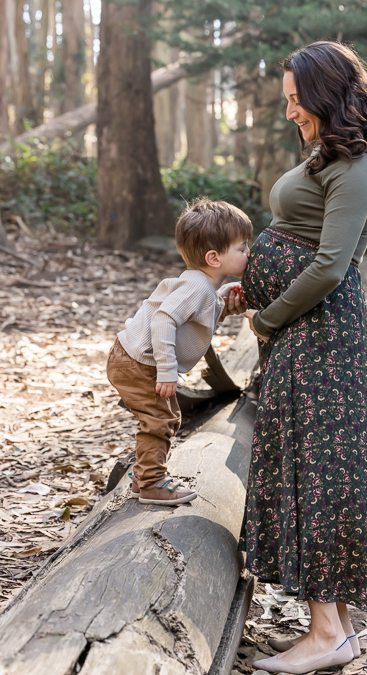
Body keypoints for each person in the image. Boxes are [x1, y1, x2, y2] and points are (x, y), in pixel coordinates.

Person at [239, 41, 367, 673]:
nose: (289, 112)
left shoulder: (357, 166)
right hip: (305, 331)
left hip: (320, 334)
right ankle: (338, 631)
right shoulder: (334, 157)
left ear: (326, 94)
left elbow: (332, 266)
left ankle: (327, 632)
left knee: (321, 469)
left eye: (295, 100)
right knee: (308, 462)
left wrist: (267, 316)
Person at [107, 198, 252, 505]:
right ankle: (151, 483)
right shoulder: (197, 288)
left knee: (166, 417)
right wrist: (167, 370)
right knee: (160, 419)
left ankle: (145, 476)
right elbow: (164, 319)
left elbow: (194, 319)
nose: (249, 253)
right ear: (214, 258)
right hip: (139, 363)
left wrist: (223, 304)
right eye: (242, 248)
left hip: (133, 357)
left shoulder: (202, 287)